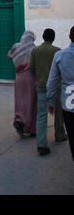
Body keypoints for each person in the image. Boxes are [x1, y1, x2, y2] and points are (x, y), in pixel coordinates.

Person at [30, 29, 67, 157]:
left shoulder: (35, 50)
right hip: (56, 86)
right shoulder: (58, 51)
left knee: (41, 115)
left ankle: (41, 144)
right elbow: (61, 70)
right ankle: (60, 135)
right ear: (53, 38)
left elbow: (32, 68)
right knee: (58, 112)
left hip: (41, 86)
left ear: (43, 37)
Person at [47, 26, 74, 161]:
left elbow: (52, 81)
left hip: (68, 104)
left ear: (69, 36)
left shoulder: (59, 55)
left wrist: (50, 101)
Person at [8, 31, 37, 138]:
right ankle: (31, 129)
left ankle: (19, 120)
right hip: (30, 78)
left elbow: (9, 55)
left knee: (20, 101)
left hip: (18, 77)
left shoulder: (15, 47)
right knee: (31, 102)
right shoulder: (34, 49)